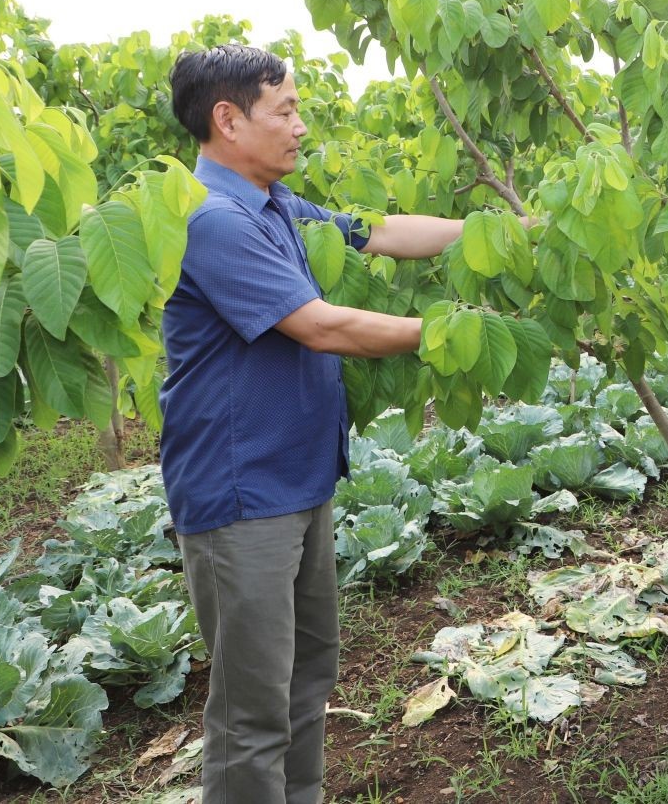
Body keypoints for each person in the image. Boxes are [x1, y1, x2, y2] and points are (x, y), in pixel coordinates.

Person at [160, 44, 469, 804]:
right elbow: (323, 326)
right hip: (242, 495)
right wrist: (456, 329)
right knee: (252, 713)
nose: (302, 126)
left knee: (305, 683)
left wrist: (497, 230)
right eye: (287, 110)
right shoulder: (213, 221)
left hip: (297, 480)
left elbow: (379, 231)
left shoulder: (275, 205)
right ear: (228, 120)